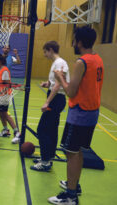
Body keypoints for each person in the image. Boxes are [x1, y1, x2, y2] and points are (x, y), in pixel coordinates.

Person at [48, 27, 103, 205]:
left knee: (71, 153)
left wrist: (60, 78)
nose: (72, 43)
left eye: (74, 40)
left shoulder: (82, 62)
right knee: (76, 151)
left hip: (80, 113)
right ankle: (74, 184)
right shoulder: (97, 59)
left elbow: (71, 92)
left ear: (79, 41)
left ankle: (71, 195)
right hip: (91, 112)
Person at [31, 41, 70, 172]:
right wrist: (47, 84)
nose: (44, 54)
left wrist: (47, 102)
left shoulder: (59, 63)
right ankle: (48, 157)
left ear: (51, 50)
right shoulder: (57, 63)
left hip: (56, 100)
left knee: (42, 129)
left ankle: (45, 161)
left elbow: (59, 85)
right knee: (51, 130)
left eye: (45, 51)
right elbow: (55, 83)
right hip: (56, 98)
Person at [0, 54, 21, 143]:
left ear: (0, 61)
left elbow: (7, 85)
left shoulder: (4, 70)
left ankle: (17, 132)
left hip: (4, 95)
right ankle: (5, 130)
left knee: (4, 114)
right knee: (0, 113)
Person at [0, 45, 21, 114]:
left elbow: (18, 62)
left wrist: (16, 54)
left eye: (8, 48)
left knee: (6, 94)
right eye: (5, 48)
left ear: (9, 50)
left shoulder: (11, 58)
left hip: (6, 78)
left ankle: (6, 109)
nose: (6, 49)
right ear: (2, 49)